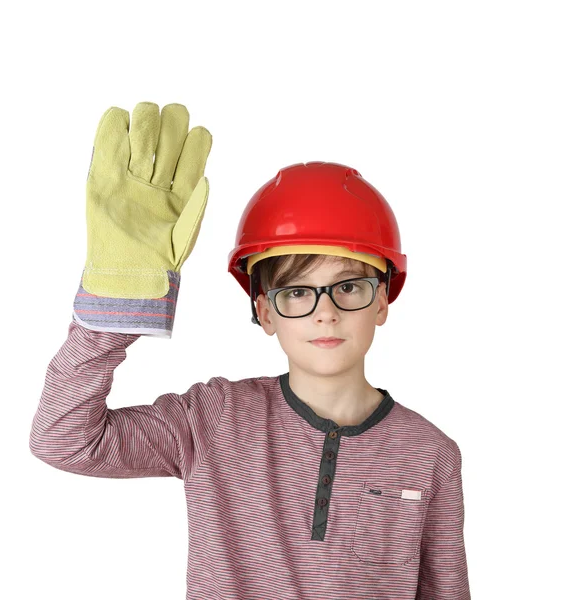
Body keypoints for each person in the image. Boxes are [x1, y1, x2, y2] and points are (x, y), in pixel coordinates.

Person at [29, 101, 471, 600]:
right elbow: (63, 440)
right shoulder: (212, 419)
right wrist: (114, 309)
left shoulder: (431, 453)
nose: (326, 312)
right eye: (298, 292)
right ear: (264, 311)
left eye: (349, 287)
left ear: (384, 300)